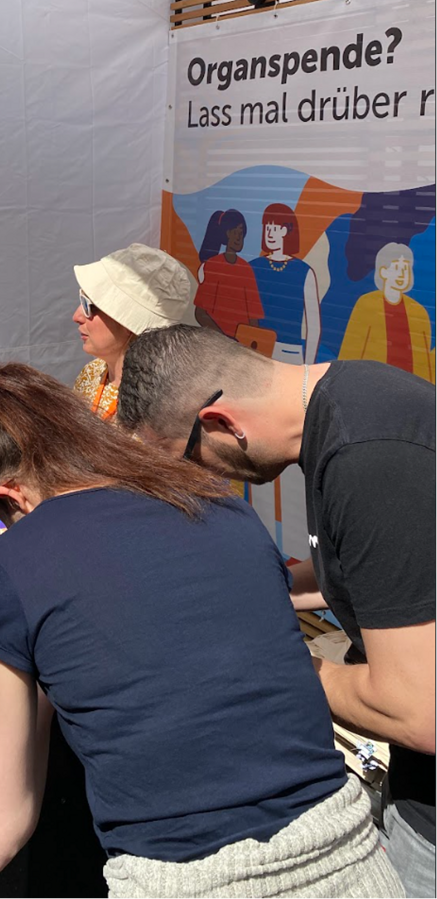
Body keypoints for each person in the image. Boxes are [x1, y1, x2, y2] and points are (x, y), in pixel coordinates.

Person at [0, 363, 401, 896]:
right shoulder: (220, 506)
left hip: (183, 879)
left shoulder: (9, 566)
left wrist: (43, 676)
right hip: (352, 856)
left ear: (12, 496)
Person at [119, 324, 435, 898]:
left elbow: (418, 711)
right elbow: (370, 570)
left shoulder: (368, 457)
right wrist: (251, 590)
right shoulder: (344, 406)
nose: (202, 480)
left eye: (189, 461)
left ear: (221, 422)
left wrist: (276, 664)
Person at [72, 244, 190, 420]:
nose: (77, 316)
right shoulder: (91, 373)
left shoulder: (162, 402)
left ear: (127, 322)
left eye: (89, 305)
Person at [339, 242, 434, 382]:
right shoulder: (367, 304)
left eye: (406, 268)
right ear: (383, 272)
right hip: (375, 386)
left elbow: (424, 363)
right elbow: (350, 352)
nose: (402, 274)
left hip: (408, 388)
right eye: (396, 267)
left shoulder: (418, 312)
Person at [250, 203, 321, 364]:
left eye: (275, 228)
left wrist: (308, 367)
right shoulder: (253, 267)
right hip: (256, 349)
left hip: (290, 352)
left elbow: (314, 325)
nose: (269, 233)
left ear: (286, 230)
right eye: (267, 227)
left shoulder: (304, 272)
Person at [194, 208, 263, 338]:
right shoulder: (213, 266)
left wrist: (249, 340)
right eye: (234, 232)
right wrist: (223, 338)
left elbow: (253, 316)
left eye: (241, 232)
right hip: (218, 343)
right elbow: (201, 313)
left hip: (240, 345)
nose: (238, 237)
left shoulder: (246, 269)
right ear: (225, 234)